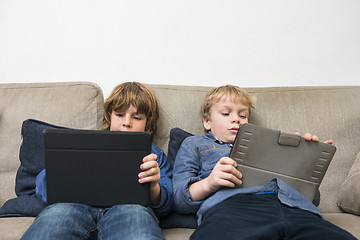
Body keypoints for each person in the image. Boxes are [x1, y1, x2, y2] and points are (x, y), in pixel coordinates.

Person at [172, 85, 356, 240]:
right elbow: (179, 199)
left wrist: (305, 161)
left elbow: (313, 199)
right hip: (232, 206)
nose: (236, 119)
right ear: (207, 122)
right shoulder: (194, 144)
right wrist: (210, 182)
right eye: (226, 113)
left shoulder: (269, 145)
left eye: (242, 116)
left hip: (295, 206)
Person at [21, 82, 173, 240]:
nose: (127, 122)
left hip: (129, 209)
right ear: (109, 116)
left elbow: (167, 202)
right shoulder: (83, 144)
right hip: (72, 205)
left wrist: (154, 187)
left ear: (147, 123)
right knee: (50, 226)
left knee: (138, 226)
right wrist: (63, 171)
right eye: (119, 115)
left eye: (136, 117)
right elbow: (42, 186)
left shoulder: (154, 155)